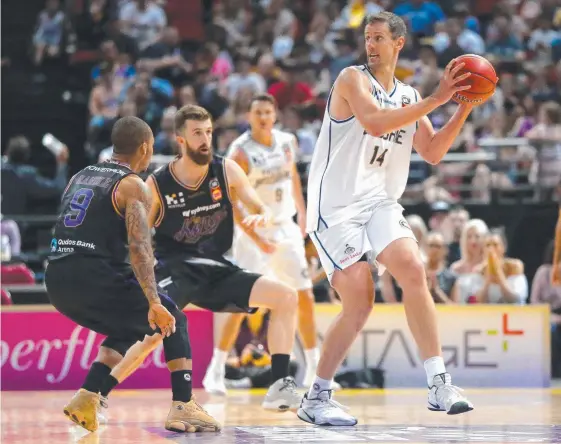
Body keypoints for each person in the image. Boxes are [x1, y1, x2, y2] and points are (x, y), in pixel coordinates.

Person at [300, 11, 478, 426]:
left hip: (379, 201)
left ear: (399, 43)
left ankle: (439, 383)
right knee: (360, 298)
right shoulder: (351, 79)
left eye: (379, 37)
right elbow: (375, 124)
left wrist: (464, 107)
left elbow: (432, 152)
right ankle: (317, 395)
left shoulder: (408, 95)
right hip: (336, 208)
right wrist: (436, 99)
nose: (371, 44)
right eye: (368, 37)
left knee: (414, 269)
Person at [85, 105, 302, 412]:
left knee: (287, 297)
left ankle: (280, 385)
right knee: (149, 337)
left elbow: (257, 205)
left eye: (209, 132)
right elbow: (137, 238)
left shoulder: (225, 170)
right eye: (197, 133)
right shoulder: (157, 184)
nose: (205, 139)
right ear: (181, 140)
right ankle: (97, 395)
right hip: (175, 268)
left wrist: (261, 217)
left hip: (215, 269)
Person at [45, 116, 220, 433]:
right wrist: (154, 300)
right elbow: (140, 247)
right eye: (152, 147)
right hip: (92, 275)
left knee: (132, 324)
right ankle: (183, 406)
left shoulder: (81, 175)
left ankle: (88, 395)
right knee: (171, 317)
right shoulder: (132, 185)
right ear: (144, 147)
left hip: (55, 276)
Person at [202, 93, 322, 395]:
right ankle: (216, 369)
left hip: (285, 227)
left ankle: (314, 366)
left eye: (268, 112)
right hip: (253, 234)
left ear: (275, 114)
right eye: (258, 113)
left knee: (304, 296)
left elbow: (292, 175)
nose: (264, 117)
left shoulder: (286, 141)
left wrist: (303, 213)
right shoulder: (240, 151)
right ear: (249, 116)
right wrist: (256, 237)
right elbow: (232, 202)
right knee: (241, 303)